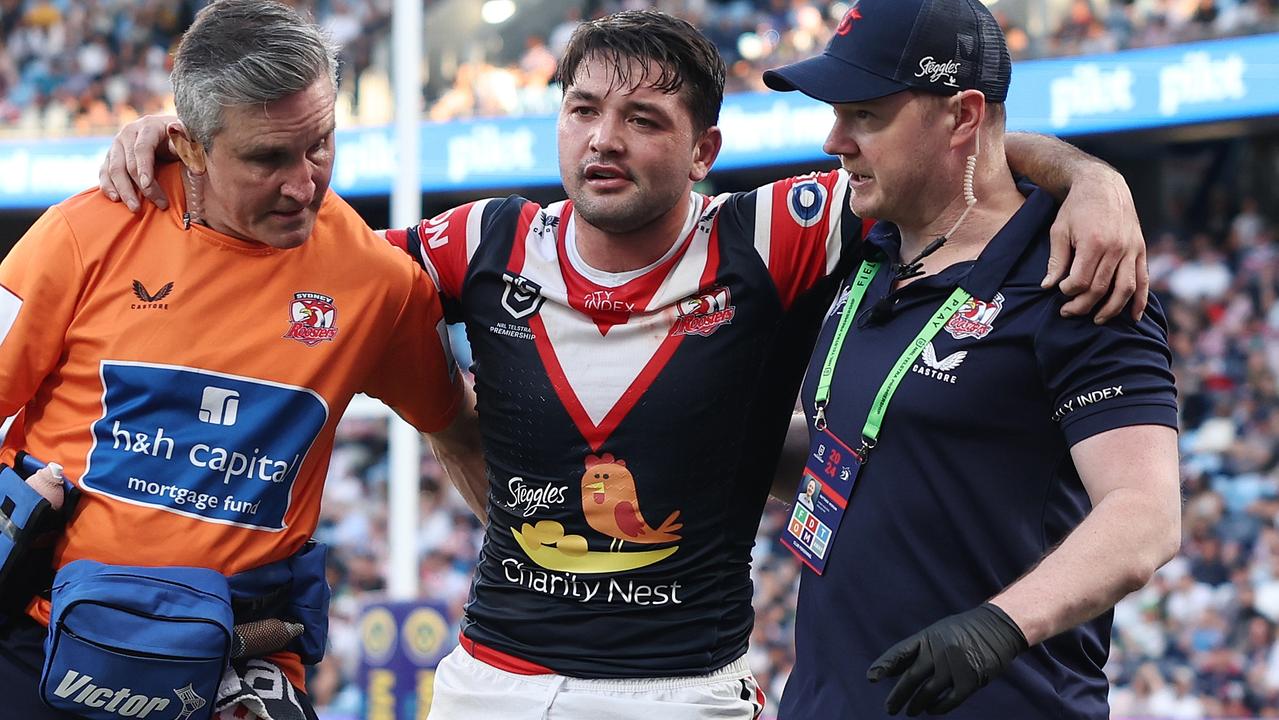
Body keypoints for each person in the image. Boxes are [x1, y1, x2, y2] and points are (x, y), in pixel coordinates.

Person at [98, 10, 1151, 719]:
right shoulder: (481, 243)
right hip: (489, 688)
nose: (603, 139)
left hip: (680, 695)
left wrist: (1091, 180)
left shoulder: (776, 233)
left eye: (643, 120)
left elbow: (955, 162)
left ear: (704, 152)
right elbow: (289, 250)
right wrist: (189, 134)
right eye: (583, 111)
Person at [0, 2, 471, 719]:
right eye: (267, 158)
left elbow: (453, 423)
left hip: (235, 669)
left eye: (319, 144)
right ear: (188, 146)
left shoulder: (377, 283)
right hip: (41, 648)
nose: (303, 182)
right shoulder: (81, 235)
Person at [762, 0, 1181, 716]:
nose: (834, 140)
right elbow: (871, 456)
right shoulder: (865, 247)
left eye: (864, 115)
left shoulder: (1074, 273)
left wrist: (1001, 626)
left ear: (961, 117)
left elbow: (1144, 513)